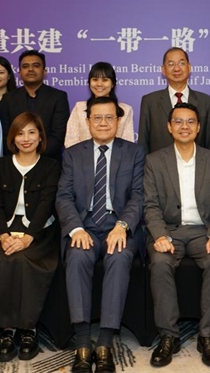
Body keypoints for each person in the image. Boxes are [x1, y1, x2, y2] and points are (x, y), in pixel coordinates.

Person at [54, 97, 145, 373]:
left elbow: (138, 196)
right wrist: (76, 228)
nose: (103, 123)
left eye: (109, 117)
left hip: (118, 225)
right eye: (97, 117)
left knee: (119, 257)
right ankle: (83, 342)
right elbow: (63, 196)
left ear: (118, 121)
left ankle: (104, 343)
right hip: (85, 226)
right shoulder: (72, 154)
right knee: (77, 256)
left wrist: (123, 226)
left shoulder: (134, 152)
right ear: (87, 121)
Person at [0, 113, 61, 363]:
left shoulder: (51, 166)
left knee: (25, 260)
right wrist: (4, 235)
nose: (25, 138)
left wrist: (28, 237)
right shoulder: (1, 165)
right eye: (20, 133)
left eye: (31, 132)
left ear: (40, 137)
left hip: (39, 230)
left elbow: (46, 205)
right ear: (12, 138)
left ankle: (28, 328)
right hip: (3, 228)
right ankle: (6, 330)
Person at [143, 103, 210, 368]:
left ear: (199, 127)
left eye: (190, 121)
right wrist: (159, 235)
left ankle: (208, 336)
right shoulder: (154, 161)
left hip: (204, 231)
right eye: (178, 122)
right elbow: (151, 205)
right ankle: (168, 336)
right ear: (169, 127)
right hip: (169, 231)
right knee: (159, 263)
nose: (184, 127)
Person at [139, 47, 210, 154]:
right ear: (163, 70)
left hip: (198, 164)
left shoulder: (206, 102)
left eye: (181, 63)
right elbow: (143, 144)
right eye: (171, 64)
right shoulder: (149, 102)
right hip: (159, 164)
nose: (176, 68)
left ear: (189, 67)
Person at [0, 50, 69, 161]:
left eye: (36, 65)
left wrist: (34, 157)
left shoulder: (58, 97)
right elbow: (6, 136)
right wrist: (22, 157)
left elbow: (58, 135)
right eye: (25, 66)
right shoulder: (8, 99)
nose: (30, 69)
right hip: (17, 162)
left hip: (49, 162)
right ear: (20, 73)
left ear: (44, 71)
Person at [65, 62, 135, 148]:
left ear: (113, 84)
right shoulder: (79, 108)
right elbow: (70, 142)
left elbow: (128, 145)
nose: (99, 84)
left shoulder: (126, 110)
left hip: (117, 156)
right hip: (81, 156)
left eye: (105, 80)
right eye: (95, 80)